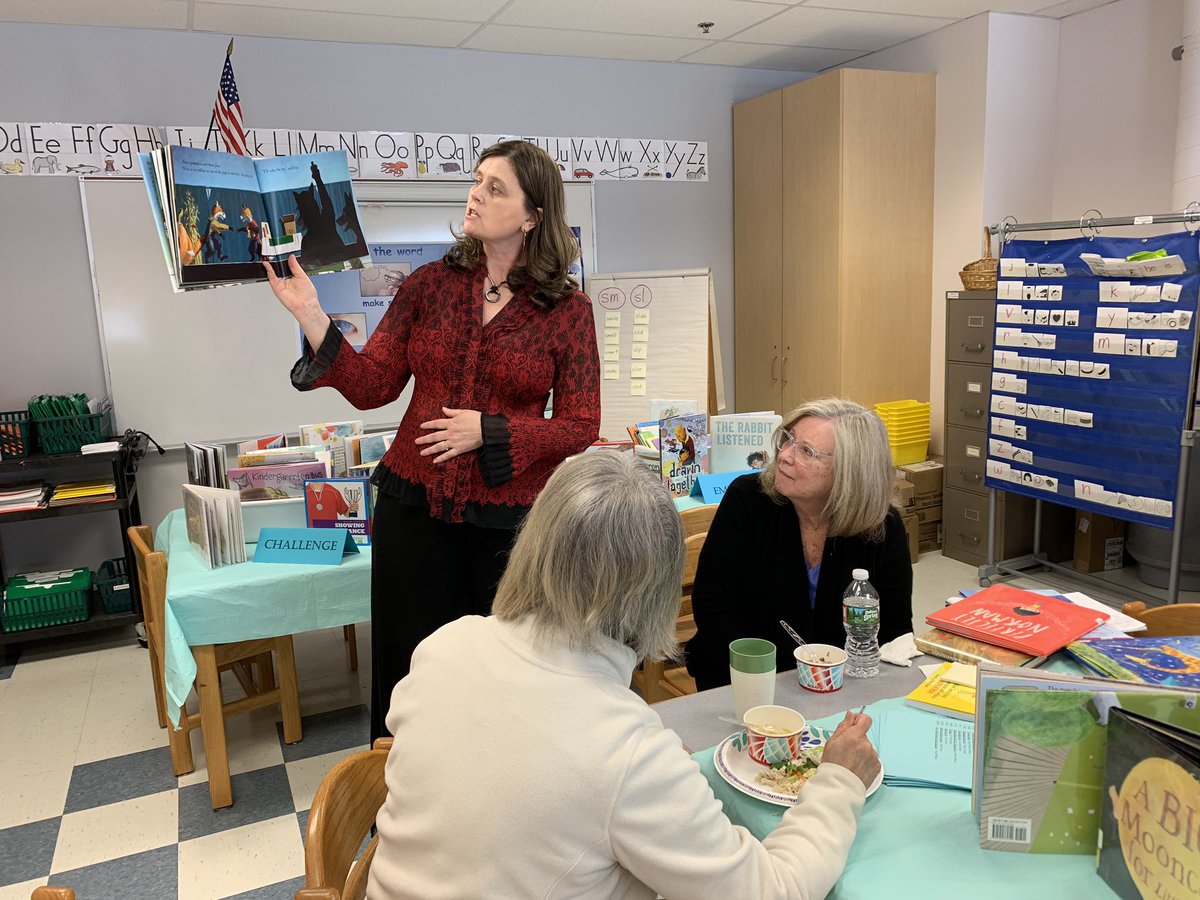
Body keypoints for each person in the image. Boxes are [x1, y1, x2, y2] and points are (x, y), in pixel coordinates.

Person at [369, 452, 881, 899]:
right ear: (655, 592)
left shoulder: (445, 646)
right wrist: (837, 781)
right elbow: (774, 890)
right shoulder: (625, 751)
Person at [264, 140, 601, 742]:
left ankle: (492, 807)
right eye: (476, 182)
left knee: (501, 671)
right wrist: (313, 317)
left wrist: (490, 429)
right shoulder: (428, 286)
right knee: (410, 667)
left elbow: (581, 424)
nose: (475, 194)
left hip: (508, 524)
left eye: (495, 188)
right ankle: (400, 802)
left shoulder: (567, 311)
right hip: (413, 509)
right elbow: (373, 386)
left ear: (533, 215)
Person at [686, 398, 913, 691]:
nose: (784, 456)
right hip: (742, 678)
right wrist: (762, 679)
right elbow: (711, 605)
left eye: (806, 451)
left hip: (843, 685)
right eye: (788, 440)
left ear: (849, 471)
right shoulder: (748, 500)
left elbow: (895, 632)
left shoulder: (882, 526)